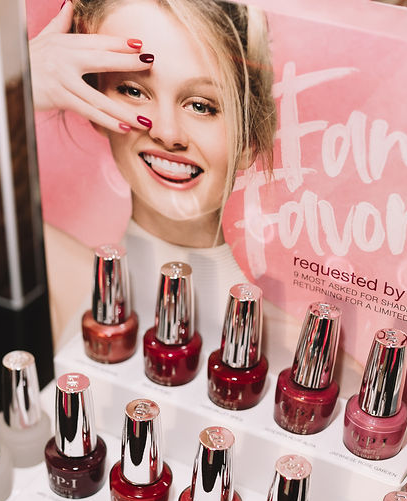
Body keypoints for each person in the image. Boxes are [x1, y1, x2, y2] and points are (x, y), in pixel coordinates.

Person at [31, 0, 277, 346]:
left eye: (201, 106)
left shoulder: (297, 342)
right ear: (92, 102)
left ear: (249, 140)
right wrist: (16, 84)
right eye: (133, 91)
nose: (166, 133)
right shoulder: (47, 270)